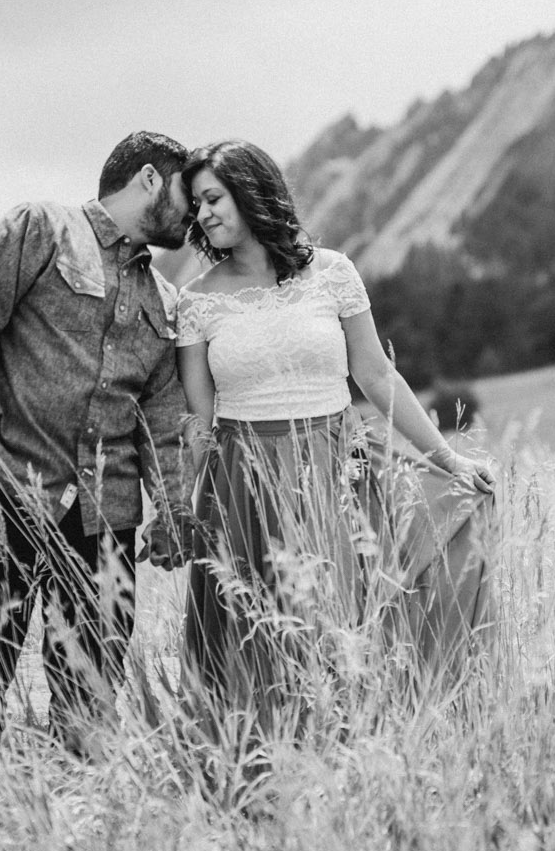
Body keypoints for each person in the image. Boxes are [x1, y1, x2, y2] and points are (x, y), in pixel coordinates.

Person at [174, 139, 494, 745]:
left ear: (250, 191)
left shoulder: (334, 273)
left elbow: (376, 376)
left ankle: (349, 761)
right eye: (196, 205)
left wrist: (446, 457)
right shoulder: (195, 303)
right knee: (255, 636)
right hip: (242, 482)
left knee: (340, 630)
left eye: (213, 198)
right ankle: (258, 776)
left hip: (334, 470)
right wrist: (180, 507)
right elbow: (200, 419)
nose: (205, 214)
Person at [0, 130, 195, 759]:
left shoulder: (168, 301)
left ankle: (81, 832)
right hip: (6, 495)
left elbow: (163, 422)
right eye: (188, 193)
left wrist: (176, 512)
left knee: (93, 698)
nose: (194, 216)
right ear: (151, 179)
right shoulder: (40, 228)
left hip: (107, 526)